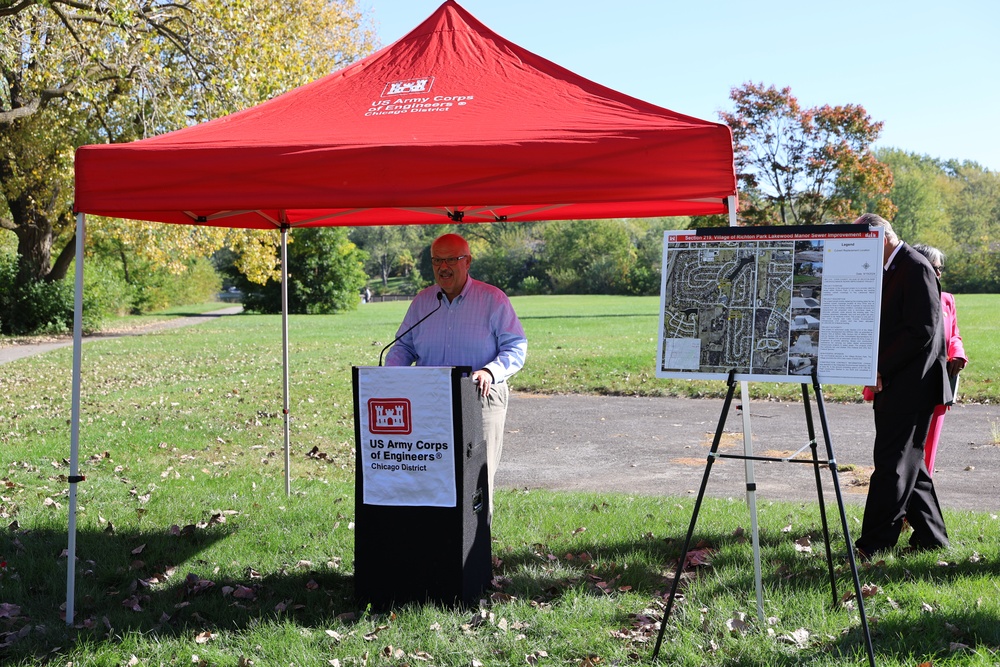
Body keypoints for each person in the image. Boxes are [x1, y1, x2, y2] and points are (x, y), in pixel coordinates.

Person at [384, 233, 527, 519]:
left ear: (468, 262)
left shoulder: (492, 299)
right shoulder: (424, 301)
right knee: (434, 476)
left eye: (452, 259)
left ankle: (476, 556)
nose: (443, 267)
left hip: (480, 396)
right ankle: (439, 550)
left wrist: (490, 371)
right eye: (437, 260)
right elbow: (403, 346)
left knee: (477, 480)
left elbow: (516, 346)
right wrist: (390, 377)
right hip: (430, 398)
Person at [853, 213, 951, 558]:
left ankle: (874, 544)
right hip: (901, 382)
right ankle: (932, 538)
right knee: (912, 465)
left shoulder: (915, 266)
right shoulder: (896, 267)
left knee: (891, 463)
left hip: (912, 384)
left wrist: (879, 367)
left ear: (878, 238)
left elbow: (922, 331)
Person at [912, 244, 968, 476]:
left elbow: (953, 334)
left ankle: (923, 495)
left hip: (940, 379)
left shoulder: (947, 300)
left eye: (940, 268)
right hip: (910, 381)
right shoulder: (905, 297)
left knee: (930, 444)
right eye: (934, 268)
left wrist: (958, 353)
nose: (939, 274)